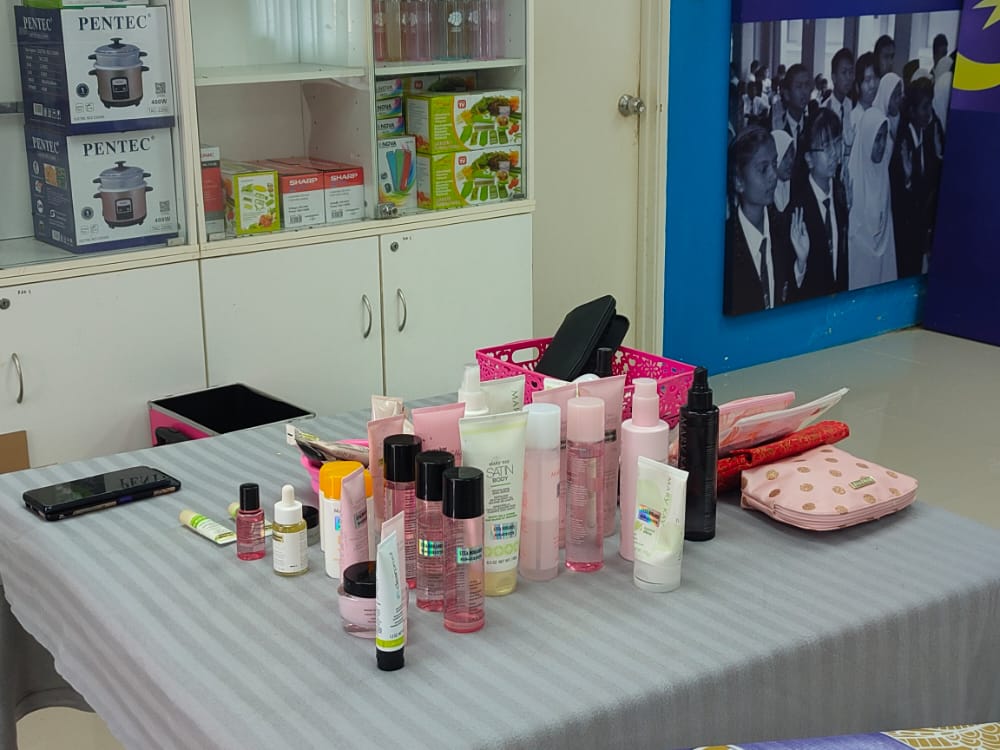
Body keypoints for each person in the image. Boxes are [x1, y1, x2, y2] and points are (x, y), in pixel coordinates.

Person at [724, 126, 809, 315]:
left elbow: (792, 301)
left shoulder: (784, 228)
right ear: (739, 181)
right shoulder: (725, 246)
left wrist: (800, 264)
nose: (773, 175)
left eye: (774, 163)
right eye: (763, 169)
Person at [847, 73, 902, 289]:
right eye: (876, 138)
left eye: (884, 138)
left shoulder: (882, 174)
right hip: (859, 267)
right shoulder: (853, 177)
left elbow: (886, 228)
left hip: (881, 267)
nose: (880, 145)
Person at [789, 108, 849, 299]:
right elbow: (790, 282)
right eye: (826, 147)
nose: (834, 154)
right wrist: (800, 264)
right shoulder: (797, 209)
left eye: (837, 143)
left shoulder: (841, 192)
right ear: (809, 159)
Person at [890, 78, 941, 278]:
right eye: (924, 107)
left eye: (930, 106)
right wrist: (908, 180)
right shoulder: (903, 142)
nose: (929, 112)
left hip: (920, 227)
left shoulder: (927, 135)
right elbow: (901, 195)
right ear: (911, 111)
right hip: (906, 231)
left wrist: (938, 156)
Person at [845, 52, 879, 166]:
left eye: (876, 78)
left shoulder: (879, 115)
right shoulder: (852, 119)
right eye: (867, 80)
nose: (873, 85)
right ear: (857, 86)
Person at [824, 48, 855, 170]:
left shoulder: (853, 108)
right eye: (844, 72)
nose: (848, 77)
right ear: (834, 77)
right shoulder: (825, 109)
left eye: (851, 72)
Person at [771, 129, 795, 212]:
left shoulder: (797, 189)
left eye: (791, 154)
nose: (790, 161)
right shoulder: (762, 195)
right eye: (784, 156)